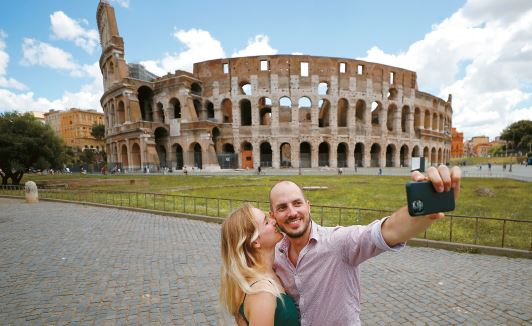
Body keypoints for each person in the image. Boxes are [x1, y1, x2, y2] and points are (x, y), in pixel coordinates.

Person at [269, 165, 461, 325]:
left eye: (297, 203)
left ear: (308, 206)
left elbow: (387, 231)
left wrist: (423, 211)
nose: (292, 212)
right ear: (272, 215)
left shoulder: (338, 243)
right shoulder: (275, 255)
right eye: (282, 207)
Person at [220, 203, 300, 325]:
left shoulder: (272, 272)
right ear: (255, 242)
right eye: (266, 222)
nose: (273, 221)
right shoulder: (262, 294)